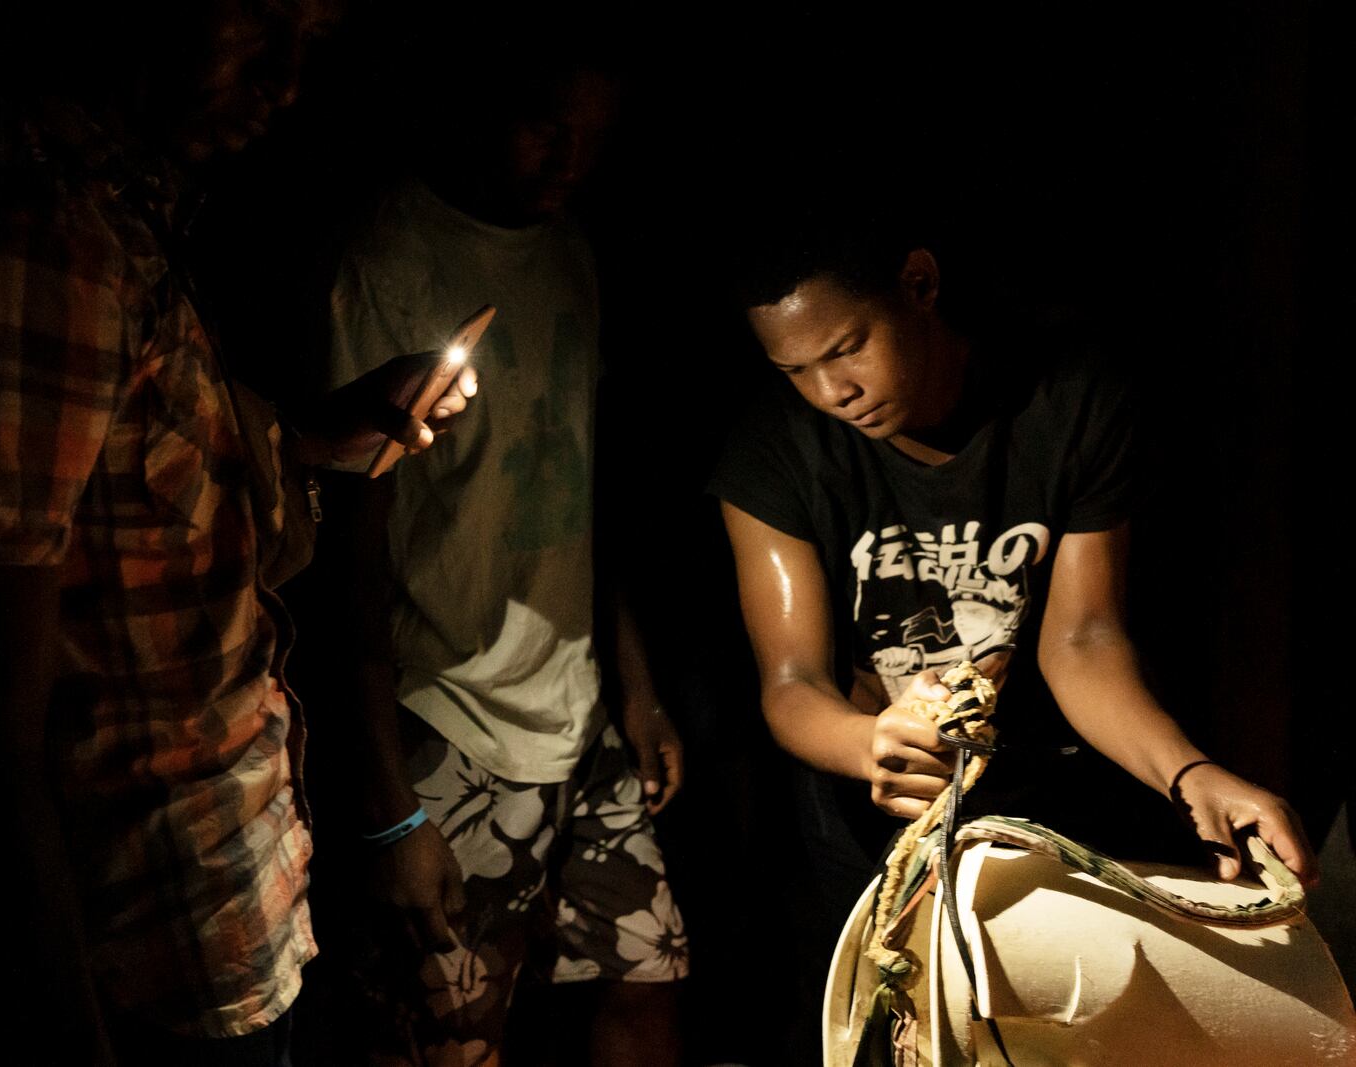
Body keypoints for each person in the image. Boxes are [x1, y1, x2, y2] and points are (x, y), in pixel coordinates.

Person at [0, 2, 476, 1063]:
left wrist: (327, 432)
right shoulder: (51, 244)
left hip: (237, 893)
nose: (283, 80)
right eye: (255, 26)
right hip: (155, 930)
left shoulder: (132, 217)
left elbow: (141, 487)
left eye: (311, 45)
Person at [708, 206, 1320, 1063]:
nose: (829, 391)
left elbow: (1082, 642)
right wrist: (868, 741)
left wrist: (1191, 774)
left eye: (847, 347)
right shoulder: (772, 449)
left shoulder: (1066, 401)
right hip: (869, 813)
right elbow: (790, 680)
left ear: (919, 286)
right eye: (796, 369)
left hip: (1047, 794)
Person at [317, 35, 688, 1067]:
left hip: (576, 704)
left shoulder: (569, 247)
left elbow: (576, 482)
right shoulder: (385, 258)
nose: (569, 162)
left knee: (647, 977)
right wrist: (390, 801)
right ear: (477, 101)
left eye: (595, 139)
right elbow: (347, 537)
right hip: (447, 713)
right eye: (546, 130)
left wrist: (637, 681)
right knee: (456, 1035)